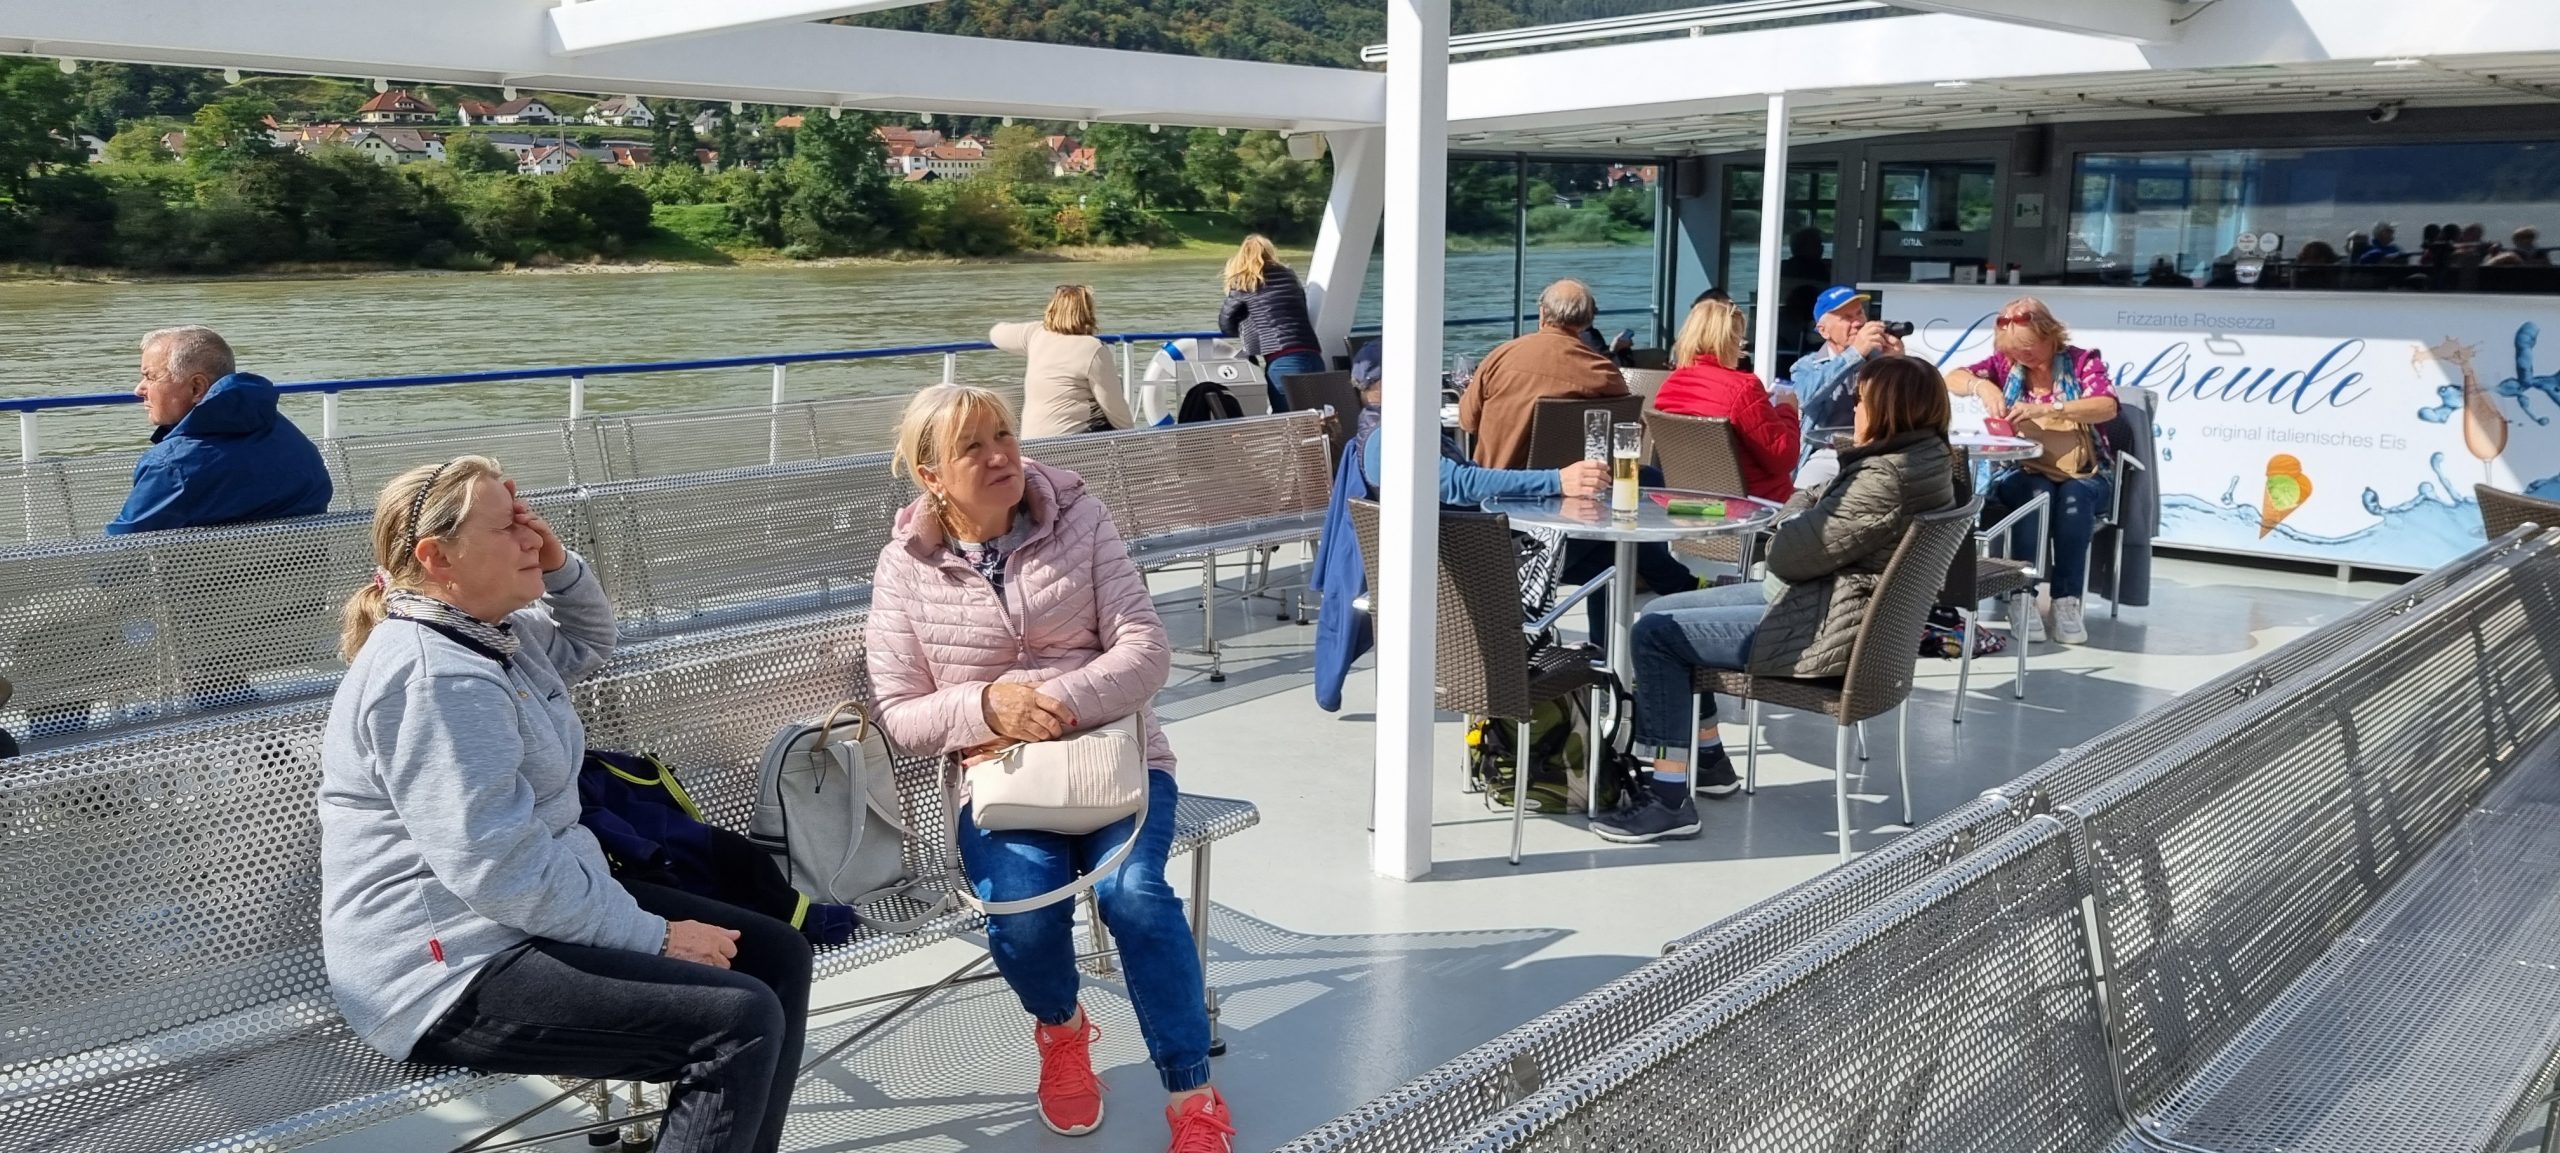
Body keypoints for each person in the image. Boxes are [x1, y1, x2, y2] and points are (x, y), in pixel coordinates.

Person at [319, 455, 811, 1153]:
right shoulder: (437, 679)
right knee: (736, 1021)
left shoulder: (494, 635)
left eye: (528, 520)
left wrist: (558, 566)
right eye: (508, 528)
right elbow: (498, 868)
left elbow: (587, 641)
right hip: (444, 969)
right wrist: (654, 936)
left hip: (518, 914)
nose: (532, 535)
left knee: (775, 954)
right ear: (438, 558)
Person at [864, 385, 1235, 1152]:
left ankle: (1192, 1092)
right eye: (972, 446)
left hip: (1119, 762)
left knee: (1135, 895)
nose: (1000, 454)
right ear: (932, 475)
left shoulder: (1080, 517)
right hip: (1003, 782)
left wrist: (1050, 701)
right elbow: (900, 712)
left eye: (1003, 434)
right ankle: (1063, 1029)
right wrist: (987, 707)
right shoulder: (904, 567)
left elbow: (1146, 650)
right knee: (1023, 916)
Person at [1594, 356, 1965, 844]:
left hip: (1826, 628)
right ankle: (1708, 761)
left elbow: (1788, 555)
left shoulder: (1882, 479)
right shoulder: (1923, 460)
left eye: (1861, 401)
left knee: (1656, 634)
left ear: (1890, 410)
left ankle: (1669, 799)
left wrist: (1799, 512)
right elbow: (1812, 511)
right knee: (1662, 609)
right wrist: (1809, 505)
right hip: (1834, 608)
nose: (1854, 409)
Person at [1311, 346, 1614, 710]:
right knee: (1608, 553)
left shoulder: (1376, 431)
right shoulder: (1391, 439)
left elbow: (1461, 480)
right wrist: (1555, 480)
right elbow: (1457, 484)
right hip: (1471, 578)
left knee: (1604, 558)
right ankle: (1633, 652)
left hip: (1453, 565)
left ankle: (1633, 642)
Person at [1943, 297, 2121, 645]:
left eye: (2028, 347)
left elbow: (2107, 406)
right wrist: (1983, 386)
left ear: (2049, 333)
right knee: (2036, 494)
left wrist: (2051, 408)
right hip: (2022, 469)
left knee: (2073, 498)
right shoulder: (2004, 365)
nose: (2022, 356)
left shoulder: (2082, 362)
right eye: (2013, 350)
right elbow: (1953, 378)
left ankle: (2066, 600)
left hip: (2083, 472)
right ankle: (2022, 595)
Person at [106, 325, 330, 535]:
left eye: (150, 377)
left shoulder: (172, 467)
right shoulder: (295, 443)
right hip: (303, 564)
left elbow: (121, 549)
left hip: (204, 567)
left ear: (197, 388)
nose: (139, 389)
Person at [1459, 279, 1631, 469]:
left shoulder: (1500, 358)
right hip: (1576, 483)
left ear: (1542, 312)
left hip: (1502, 482)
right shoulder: (1604, 372)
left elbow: (1467, 421)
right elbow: (1625, 431)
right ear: (1589, 319)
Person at [1651, 296, 1800, 504]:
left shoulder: (1669, 387)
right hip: (1755, 505)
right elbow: (1783, 459)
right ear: (1730, 340)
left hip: (1691, 501)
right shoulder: (1744, 388)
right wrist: (1787, 409)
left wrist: (1758, 407)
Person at [992, 285, 1134, 439]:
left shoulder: (1036, 334)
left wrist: (1042, 325)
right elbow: (1115, 409)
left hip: (1031, 441)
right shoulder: (1093, 348)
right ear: (1087, 313)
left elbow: (996, 334)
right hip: (1072, 442)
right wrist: (1134, 438)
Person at [1218, 234, 1325, 415]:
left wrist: (1246, 321)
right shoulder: (1290, 276)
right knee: (1318, 420)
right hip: (1313, 355)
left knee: (1286, 420)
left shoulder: (1244, 282)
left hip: (1282, 361)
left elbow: (1226, 323)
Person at [1785, 286, 1904, 446]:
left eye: (1859, 313)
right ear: (1824, 331)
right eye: (1847, 318)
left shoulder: (1879, 358)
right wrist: (1854, 354)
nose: (1858, 323)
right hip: (1826, 449)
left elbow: (1910, 408)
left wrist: (1897, 365)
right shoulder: (1806, 366)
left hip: (1876, 448)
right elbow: (1803, 398)